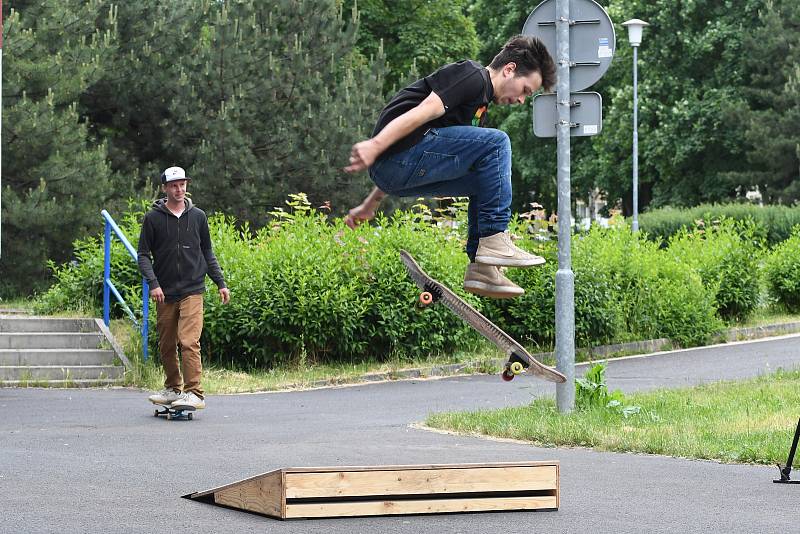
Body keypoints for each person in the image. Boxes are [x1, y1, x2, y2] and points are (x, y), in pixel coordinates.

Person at [344, 35, 556, 299]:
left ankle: (482, 267)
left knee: (486, 177)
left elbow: (429, 152)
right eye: (525, 90)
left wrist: (370, 204)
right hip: (394, 156)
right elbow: (423, 111)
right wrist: (375, 144)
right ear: (509, 69)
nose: (522, 100)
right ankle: (493, 238)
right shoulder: (471, 76)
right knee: (498, 143)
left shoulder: (480, 107)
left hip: (395, 171)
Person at [137, 166, 230, 410]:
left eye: (183, 185)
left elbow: (207, 251)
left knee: (189, 341)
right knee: (167, 343)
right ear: (165, 188)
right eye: (174, 185)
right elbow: (143, 255)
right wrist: (153, 284)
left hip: (193, 289)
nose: (179, 189)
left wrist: (220, 282)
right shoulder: (153, 218)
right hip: (164, 292)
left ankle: (194, 393)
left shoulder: (198, 216)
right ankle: (172, 388)